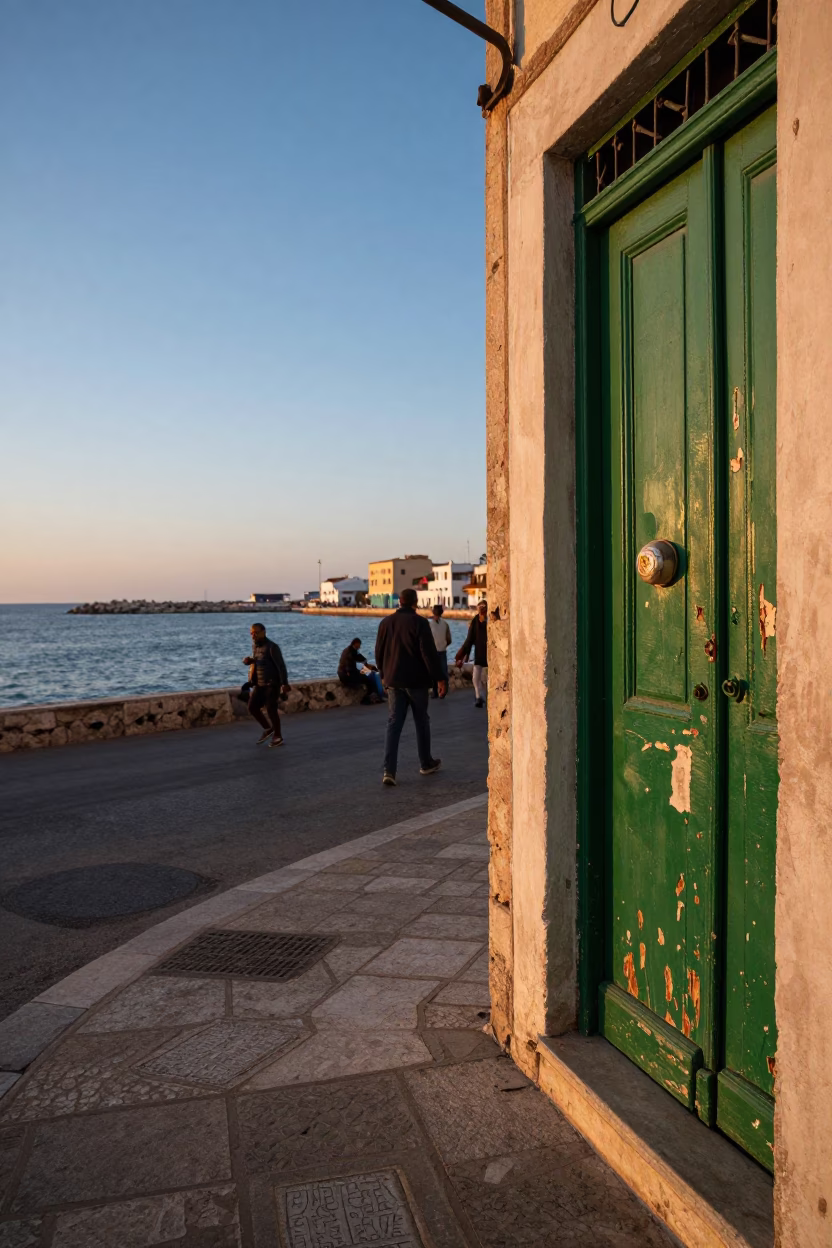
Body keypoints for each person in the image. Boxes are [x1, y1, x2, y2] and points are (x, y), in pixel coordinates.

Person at [375, 587, 445, 786]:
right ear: (414, 603)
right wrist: (439, 679)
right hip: (416, 681)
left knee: (394, 724)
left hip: (393, 681)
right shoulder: (420, 623)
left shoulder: (385, 623)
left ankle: (389, 770)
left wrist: (384, 675)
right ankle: (426, 762)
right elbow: (428, 654)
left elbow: (378, 652)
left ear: (400, 602)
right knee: (421, 721)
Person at [242, 622, 290, 747]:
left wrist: (284, 683)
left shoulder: (272, 647)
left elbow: (281, 666)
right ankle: (268, 729)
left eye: (256, 633)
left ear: (263, 632)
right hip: (259, 683)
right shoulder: (255, 647)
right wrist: (250, 661)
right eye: (251, 633)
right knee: (252, 707)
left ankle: (278, 736)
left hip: (272, 683)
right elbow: (259, 661)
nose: (253, 636)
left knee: (271, 709)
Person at [455, 599, 488, 707]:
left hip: (490, 654)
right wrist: (463, 655)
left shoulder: (490, 621)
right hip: (479, 654)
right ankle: (479, 697)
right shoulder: (475, 621)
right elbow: (469, 639)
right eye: (479, 607)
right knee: (475, 678)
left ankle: (486, 697)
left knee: (488, 679)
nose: (481, 610)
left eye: (482, 607)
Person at [338, 638, 383, 703]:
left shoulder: (351, 650)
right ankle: (369, 697)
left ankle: (372, 696)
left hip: (344, 673)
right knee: (367, 680)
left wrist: (365, 661)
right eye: (359, 645)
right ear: (355, 643)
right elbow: (348, 665)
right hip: (346, 675)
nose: (359, 647)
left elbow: (359, 657)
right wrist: (358, 672)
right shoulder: (349, 652)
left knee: (366, 675)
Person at [427, 603, 452, 699]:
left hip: (434, 651)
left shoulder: (429, 625)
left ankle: (435, 692)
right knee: (442, 671)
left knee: (434, 672)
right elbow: (449, 639)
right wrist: (444, 644)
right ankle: (443, 691)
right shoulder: (445, 624)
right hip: (442, 650)